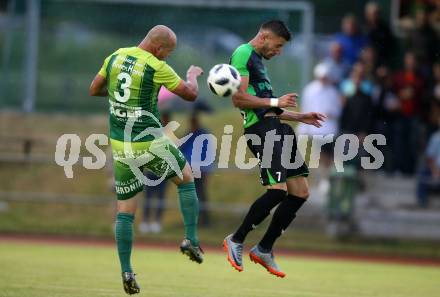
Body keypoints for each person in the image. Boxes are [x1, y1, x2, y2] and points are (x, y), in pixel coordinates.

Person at [89, 25, 204, 295]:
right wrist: (192, 76)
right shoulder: (155, 66)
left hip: (121, 146)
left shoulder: (115, 57)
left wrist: (121, 97)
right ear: (158, 46)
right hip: (149, 141)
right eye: (168, 51)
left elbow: (94, 89)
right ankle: (191, 239)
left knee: (125, 211)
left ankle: (126, 270)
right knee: (186, 179)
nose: (167, 57)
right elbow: (190, 94)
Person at [223, 20, 326, 278]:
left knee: (300, 193)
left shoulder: (258, 61)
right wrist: (275, 100)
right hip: (262, 132)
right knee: (277, 191)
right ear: (265, 37)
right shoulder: (243, 53)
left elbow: (268, 108)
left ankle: (264, 248)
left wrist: (300, 116)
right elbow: (239, 99)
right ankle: (236, 239)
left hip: (276, 128)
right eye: (278, 46)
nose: (278, 51)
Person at [138, 112, 172, 234]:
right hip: (151, 171)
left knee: (160, 198)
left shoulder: (169, 135)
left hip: (163, 172)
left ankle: (157, 222)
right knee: (148, 197)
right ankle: (145, 221)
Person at [180, 111, 215, 227]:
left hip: (200, 171)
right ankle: (191, 220)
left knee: (201, 195)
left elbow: (209, 153)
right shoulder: (188, 135)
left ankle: (204, 220)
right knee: (189, 197)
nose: (192, 123)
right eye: (191, 121)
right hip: (188, 171)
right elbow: (181, 151)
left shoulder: (204, 135)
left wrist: (207, 170)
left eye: (194, 121)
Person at [416, 118, 440, 207]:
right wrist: (435, 170)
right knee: (422, 173)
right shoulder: (436, 137)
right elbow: (430, 157)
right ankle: (422, 200)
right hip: (435, 169)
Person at [364, 1, 395, 67]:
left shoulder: (385, 28)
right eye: (373, 13)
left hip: (381, 62)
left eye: (377, 13)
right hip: (364, 62)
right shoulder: (363, 28)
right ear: (367, 14)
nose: (375, 16)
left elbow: (390, 48)